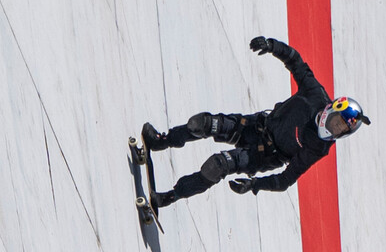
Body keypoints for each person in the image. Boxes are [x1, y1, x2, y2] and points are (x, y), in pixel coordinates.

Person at [142, 35, 369, 207]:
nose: (334, 128)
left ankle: (170, 196)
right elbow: (295, 61)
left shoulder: (319, 147)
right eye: (338, 121)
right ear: (332, 108)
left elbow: (286, 179)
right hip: (256, 125)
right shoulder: (314, 95)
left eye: (340, 130)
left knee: (216, 166)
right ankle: (162, 140)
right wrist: (272, 46)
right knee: (202, 124)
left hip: (263, 155)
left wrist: (255, 184)